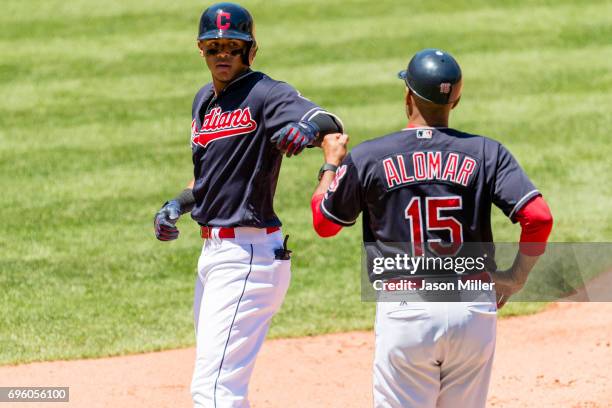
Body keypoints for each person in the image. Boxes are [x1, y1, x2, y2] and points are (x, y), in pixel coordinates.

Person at [311, 48, 553, 407]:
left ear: (408, 96)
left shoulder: (371, 156)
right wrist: (517, 276)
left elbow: (324, 224)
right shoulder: (487, 152)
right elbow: (539, 217)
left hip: (406, 311)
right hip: (472, 309)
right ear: (456, 101)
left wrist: (330, 167)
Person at [153, 3, 344, 407]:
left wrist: (307, 127)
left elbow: (330, 122)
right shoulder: (204, 101)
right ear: (200, 50)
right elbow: (205, 178)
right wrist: (177, 204)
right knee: (219, 380)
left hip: (248, 256)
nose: (223, 54)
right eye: (213, 47)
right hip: (214, 256)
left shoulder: (266, 92)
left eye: (233, 47)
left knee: (215, 390)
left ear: (251, 51)